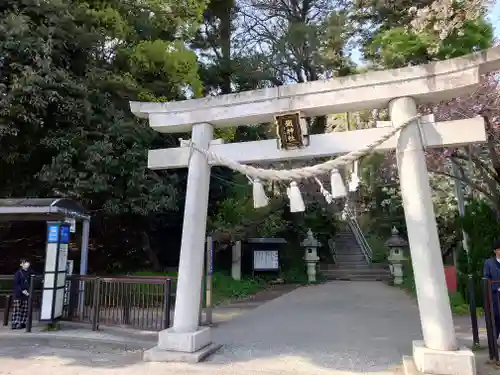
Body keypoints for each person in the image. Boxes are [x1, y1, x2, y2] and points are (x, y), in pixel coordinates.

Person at [483, 240, 500, 340]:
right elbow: (486, 277)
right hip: (495, 295)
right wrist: (496, 287)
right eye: (499, 250)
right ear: (495, 251)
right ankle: (494, 340)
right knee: (496, 316)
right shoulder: (489, 263)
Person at [11, 260, 33, 329]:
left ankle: (23, 323)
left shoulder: (30, 272)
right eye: (25, 263)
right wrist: (22, 291)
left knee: (25, 309)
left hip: (26, 293)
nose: (27, 264)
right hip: (18, 294)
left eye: (27, 263)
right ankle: (15, 323)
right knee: (17, 309)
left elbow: (31, 282)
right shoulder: (18, 273)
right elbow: (16, 284)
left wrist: (28, 291)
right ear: (21, 264)